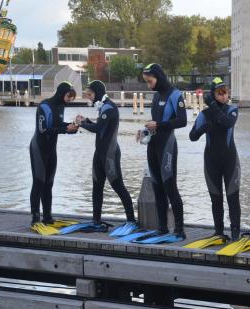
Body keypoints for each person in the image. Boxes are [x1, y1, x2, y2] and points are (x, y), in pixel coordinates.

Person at [75, 81, 135, 230]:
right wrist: (85, 121)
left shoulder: (109, 107)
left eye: (90, 94)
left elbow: (97, 128)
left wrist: (81, 124)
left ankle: (131, 220)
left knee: (118, 186)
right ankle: (96, 220)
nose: (89, 97)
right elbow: (100, 126)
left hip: (110, 154)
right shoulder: (103, 106)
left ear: (98, 93)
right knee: (97, 187)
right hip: (99, 153)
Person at [189, 77, 241, 240]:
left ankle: (235, 233)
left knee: (232, 197)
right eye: (220, 93)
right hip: (211, 161)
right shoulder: (204, 114)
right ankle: (219, 232)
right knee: (215, 198)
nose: (224, 96)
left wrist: (212, 105)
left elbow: (226, 123)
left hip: (230, 160)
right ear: (213, 94)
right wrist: (203, 128)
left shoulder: (232, 109)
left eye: (226, 92)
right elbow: (192, 136)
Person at [141, 63, 187, 237]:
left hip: (167, 146)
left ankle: (179, 230)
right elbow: (154, 122)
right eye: (146, 82)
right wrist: (145, 130)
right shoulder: (156, 96)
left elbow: (182, 121)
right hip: (153, 145)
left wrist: (159, 125)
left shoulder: (175, 95)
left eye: (149, 81)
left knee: (170, 187)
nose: (148, 85)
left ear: (158, 77)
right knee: (157, 187)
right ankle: (162, 228)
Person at [29, 81, 78, 232]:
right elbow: (44, 129)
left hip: (51, 149)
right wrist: (65, 130)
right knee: (39, 182)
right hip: (38, 148)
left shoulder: (60, 106)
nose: (70, 100)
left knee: (49, 183)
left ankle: (47, 217)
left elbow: (58, 124)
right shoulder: (44, 106)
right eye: (69, 97)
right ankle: (35, 218)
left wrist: (72, 127)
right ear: (62, 93)